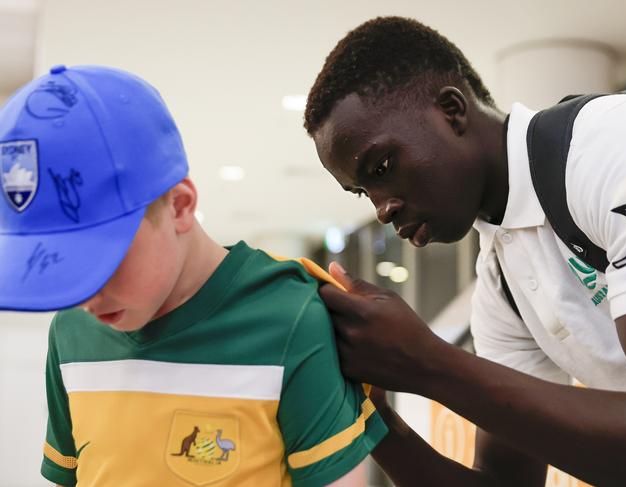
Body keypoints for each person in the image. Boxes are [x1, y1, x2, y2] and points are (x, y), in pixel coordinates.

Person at [303, 16, 626, 487]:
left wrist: (427, 362)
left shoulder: (612, 148)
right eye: (362, 192)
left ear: (452, 111)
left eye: (382, 167)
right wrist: (369, 416)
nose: (382, 209)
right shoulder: (502, 280)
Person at [0, 64, 387, 487]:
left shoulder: (289, 315)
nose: (86, 297)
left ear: (180, 206)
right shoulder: (72, 331)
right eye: (58, 268)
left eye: (101, 261)